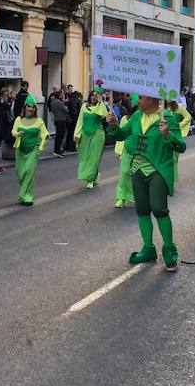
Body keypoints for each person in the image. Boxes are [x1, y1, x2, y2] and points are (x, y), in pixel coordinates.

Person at [105, 95, 187, 271]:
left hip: (158, 169)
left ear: (151, 99)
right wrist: (113, 125)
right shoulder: (136, 117)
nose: (137, 102)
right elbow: (120, 135)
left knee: (159, 209)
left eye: (141, 98)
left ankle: (170, 250)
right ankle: (148, 249)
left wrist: (168, 134)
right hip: (137, 170)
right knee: (142, 210)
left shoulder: (167, 118)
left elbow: (181, 145)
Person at [12, 94, 49, 206]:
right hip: (20, 149)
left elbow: (44, 132)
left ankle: (28, 196)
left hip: (33, 149)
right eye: (29, 106)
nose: (31, 109)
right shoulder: (19, 119)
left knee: (28, 172)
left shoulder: (39, 121)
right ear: (25, 107)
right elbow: (13, 131)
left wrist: (46, 136)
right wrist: (17, 134)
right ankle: (25, 193)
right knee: (20, 172)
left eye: (33, 107)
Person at [74, 89, 108, 189]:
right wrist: (77, 134)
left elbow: (105, 115)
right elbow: (80, 120)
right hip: (85, 134)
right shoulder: (84, 106)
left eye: (96, 96)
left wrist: (101, 102)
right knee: (85, 157)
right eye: (92, 95)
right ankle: (95, 175)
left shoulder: (100, 106)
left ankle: (90, 180)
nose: (94, 97)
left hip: (97, 134)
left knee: (94, 158)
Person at [114, 95, 138, 208]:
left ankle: (136, 196)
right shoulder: (125, 119)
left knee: (136, 176)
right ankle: (121, 197)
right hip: (127, 150)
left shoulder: (148, 118)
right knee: (124, 172)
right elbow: (121, 135)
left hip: (142, 152)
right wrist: (118, 150)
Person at [49, 88, 70, 158]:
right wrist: (66, 107)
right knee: (60, 135)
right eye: (62, 94)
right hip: (61, 119)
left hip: (57, 119)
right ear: (59, 94)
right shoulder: (58, 102)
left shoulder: (53, 101)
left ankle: (57, 150)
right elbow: (65, 110)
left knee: (58, 135)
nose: (63, 95)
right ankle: (57, 151)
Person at [65, 85, 83, 151]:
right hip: (75, 118)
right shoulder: (76, 100)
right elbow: (78, 109)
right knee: (74, 132)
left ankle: (67, 146)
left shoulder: (70, 99)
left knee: (69, 133)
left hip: (70, 117)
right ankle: (72, 147)